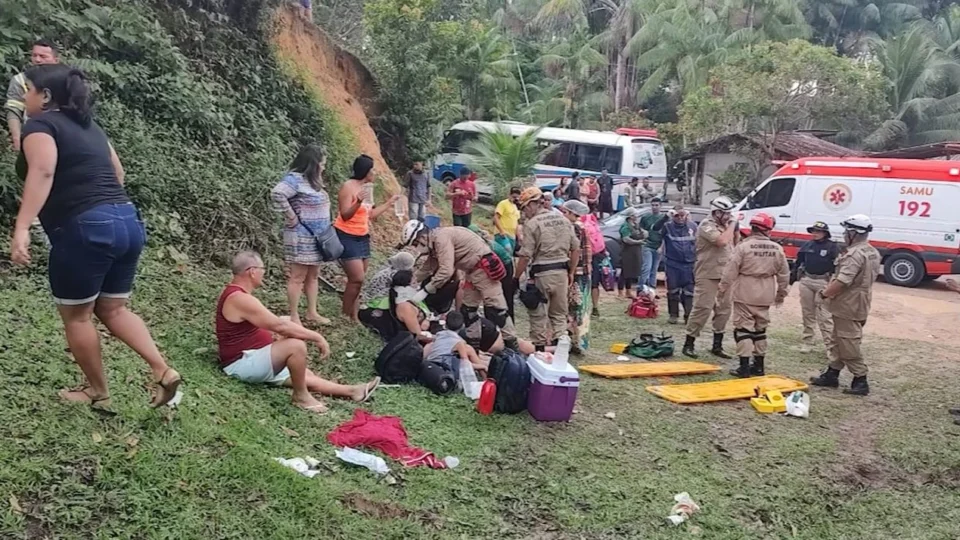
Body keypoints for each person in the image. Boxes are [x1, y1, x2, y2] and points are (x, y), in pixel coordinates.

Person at [9, 64, 181, 410]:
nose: (24, 96)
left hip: (86, 227)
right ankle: (163, 369)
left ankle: (97, 392)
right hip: (127, 219)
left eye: (27, 89)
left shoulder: (40, 125)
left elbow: (43, 170)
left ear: (44, 96)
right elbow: (117, 172)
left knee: (78, 316)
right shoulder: (91, 127)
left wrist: (23, 226)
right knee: (114, 308)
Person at [217, 252, 379, 414]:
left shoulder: (240, 295)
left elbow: (271, 324)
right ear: (252, 271)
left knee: (303, 374)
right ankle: (301, 396)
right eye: (262, 269)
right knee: (296, 346)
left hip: (254, 357)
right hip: (242, 364)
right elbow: (280, 326)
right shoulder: (239, 298)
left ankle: (353, 391)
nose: (264, 273)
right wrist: (317, 337)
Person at [401, 220, 516, 344]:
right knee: (468, 312)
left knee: (496, 311)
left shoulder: (441, 238)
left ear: (422, 237)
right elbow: (428, 267)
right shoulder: (434, 243)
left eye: (415, 244)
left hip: (483, 270)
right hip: (471, 272)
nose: (415, 247)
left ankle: (512, 345)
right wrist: (410, 281)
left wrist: (426, 290)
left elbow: (446, 270)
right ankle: (474, 344)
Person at [809, 215, 881, 396]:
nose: (844, 234)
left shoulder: (855, 254)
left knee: (848, 341)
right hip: (858, 300)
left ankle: (860, 378)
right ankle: (832, 373)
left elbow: (842, 281)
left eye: (846, 231)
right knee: (837, 338)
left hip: (849, 303)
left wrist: (825, 294)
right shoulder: (871, 251)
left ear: (853, 233)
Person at [718, 213, 789, 378]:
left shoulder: (743, 247)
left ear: (753, 228)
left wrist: (722, 289)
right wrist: (781, 294)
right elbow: (784, 274)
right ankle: (759, 366)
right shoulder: (777, 249)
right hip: (766, 291)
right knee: (760, 329)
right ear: (768, 229)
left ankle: (743, 367)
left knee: (743, 329)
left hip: (745, 290)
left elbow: (730, 271)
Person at [271, 144, 333, 327]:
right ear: (313, 163)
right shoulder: (295, 179)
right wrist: (291, 217)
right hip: (301, 236)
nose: (324, 166)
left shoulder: (314, 181)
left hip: (317, 237)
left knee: (313, 275)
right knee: (297, 276)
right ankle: (294, 316)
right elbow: (277, 193)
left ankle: (312, 312)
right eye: (322, 163)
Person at [334, 154, 401, 322]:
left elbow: (369, 214)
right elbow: (345, 215)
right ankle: (344, 314)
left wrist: (389, 204)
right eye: (373, 170)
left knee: (358, 282)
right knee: (357, 278)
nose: (375, 173)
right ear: (366, 171)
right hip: (346, 235)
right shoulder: (348, 187)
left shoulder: (367, 188)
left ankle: (354, 315)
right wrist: (357, 202)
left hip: (362, 237)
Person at [515, 186, 579, 350]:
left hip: (542, 274)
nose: (524, 213)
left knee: (538, 314)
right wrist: (571, 272)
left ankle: (540, 350)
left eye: (524, 208)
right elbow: (575, 249)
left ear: (531, 204)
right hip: (562, 274)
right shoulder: (564, 221)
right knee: (559, 315)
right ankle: (561, 348)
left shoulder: (532, 224)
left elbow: (525, 255)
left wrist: (515, 277)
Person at [683, 196, 738, 359]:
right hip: (708, 273)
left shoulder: (726, 226)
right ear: (717, 213)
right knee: (702, 308)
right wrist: (733, 225)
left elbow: (734, 243)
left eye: (730, 214)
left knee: (724, 310)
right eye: (726, 213)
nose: (729, 217)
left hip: (725, 274)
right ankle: (689, 343)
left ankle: (717, 345)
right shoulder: (706, 225)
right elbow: (721, 241)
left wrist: (734, 228)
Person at [794, 221, 841, 355]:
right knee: (807, 313)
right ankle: (807, 341)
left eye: (818, 231)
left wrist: (833, 283)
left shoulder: (832, 247)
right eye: (813, 231)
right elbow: (798, 262)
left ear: (825, 233)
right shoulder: (807, 245)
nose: (815, 234)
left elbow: (838, 267)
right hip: (807, 280)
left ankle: (830, 347)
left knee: (824, 316)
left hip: (823, 282)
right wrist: (794, 279)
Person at [6, 40, 59, 153]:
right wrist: (17, 140)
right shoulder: (20, 80)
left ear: (56, 60)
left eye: (43, 56)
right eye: (34, 55)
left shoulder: (66, 80)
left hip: (61, 135)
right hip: (33, 135)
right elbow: (14, 109)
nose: (37, 60)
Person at [359, 269, 432, 343]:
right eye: (414, 283)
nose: (417, 285)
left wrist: (427, 319)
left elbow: (425, 309)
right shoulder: (405, 307)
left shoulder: (408, 298)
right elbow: (418, 335)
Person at [468, 224, 517, 325]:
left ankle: (506, 322)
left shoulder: (484, 246)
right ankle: (492, 321)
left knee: (502, 295)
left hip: (505, 265)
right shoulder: (480, 244)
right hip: (496, 264)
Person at [561, 199, 592, 352]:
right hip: (583, 271)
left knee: (573, 307)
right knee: (578, 307)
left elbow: (575, 251)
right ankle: (576, 341)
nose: (563, 215)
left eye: (565, 212)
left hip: (576, 272)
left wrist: (570, 271)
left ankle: (574, 341)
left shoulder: (574, 228)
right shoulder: (582, 226)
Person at [662, 206, 697, 324]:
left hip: (689, 264)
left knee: (689, 292)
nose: (680, 218)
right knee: (673, 291)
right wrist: (665, 217)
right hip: (673, 264)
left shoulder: (693, 226)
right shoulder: (667, 226)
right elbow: (654, 230)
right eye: (677, 216)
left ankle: (688, 316)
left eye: (683, 215)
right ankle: (673, 315)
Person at [423, 311, 489, 373]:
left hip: (429, 366)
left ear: (445, 324)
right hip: (444, 369)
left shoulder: (439, 334)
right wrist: (482, 367)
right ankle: (486, 379)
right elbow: (465, 365)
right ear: (462, 326)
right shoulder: (459, 342)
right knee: (469, 350)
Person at [638, 197, 668, 290]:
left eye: (656, 205)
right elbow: (640, 227)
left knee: (654, 269)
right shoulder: (646, 217)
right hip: (647, 245)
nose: (654, 207)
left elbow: (665, 235)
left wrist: (661, 247)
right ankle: (641, 288)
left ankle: (652, 289)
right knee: (646, 267)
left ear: (660, 206)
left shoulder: (664, 218)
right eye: (653, 205)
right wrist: (643, 232)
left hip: (658, 246)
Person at [618, 207, 646, 297]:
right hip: (627, 252)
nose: (636, 216)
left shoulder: (635, 225)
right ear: (630, 216)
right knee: (625, 272)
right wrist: (638, 242)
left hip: (635, 251)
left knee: (630, 272)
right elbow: (626, 239)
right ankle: (620, 292)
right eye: (635, 215)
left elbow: (642, 232)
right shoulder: (625, 226)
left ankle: (628, 291)